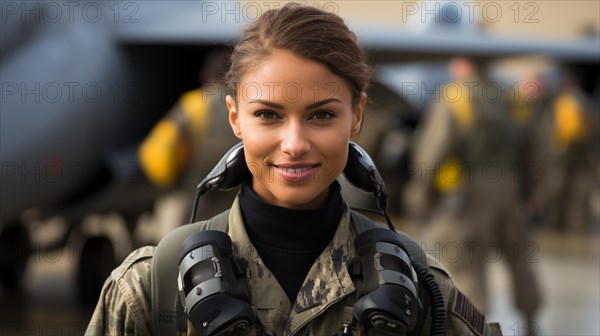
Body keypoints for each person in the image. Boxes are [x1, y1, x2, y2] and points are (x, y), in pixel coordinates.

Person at [86, 4, 501, 335]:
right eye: (268, 114)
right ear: (234, 117)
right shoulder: (149, 290)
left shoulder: (423, 290)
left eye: (321, 116)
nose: (295, 144)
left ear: (357, 115)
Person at [403, 56, 541, 333]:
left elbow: (433, 150)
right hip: (510, 189)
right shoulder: (510, 97)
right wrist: (532, 191)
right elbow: (533, 148)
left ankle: (473, 328)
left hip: (470, 191)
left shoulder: (455, 95)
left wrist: (420, 193)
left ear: (463, 62)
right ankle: (531, 320)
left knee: (466, 263)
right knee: (519, 259)